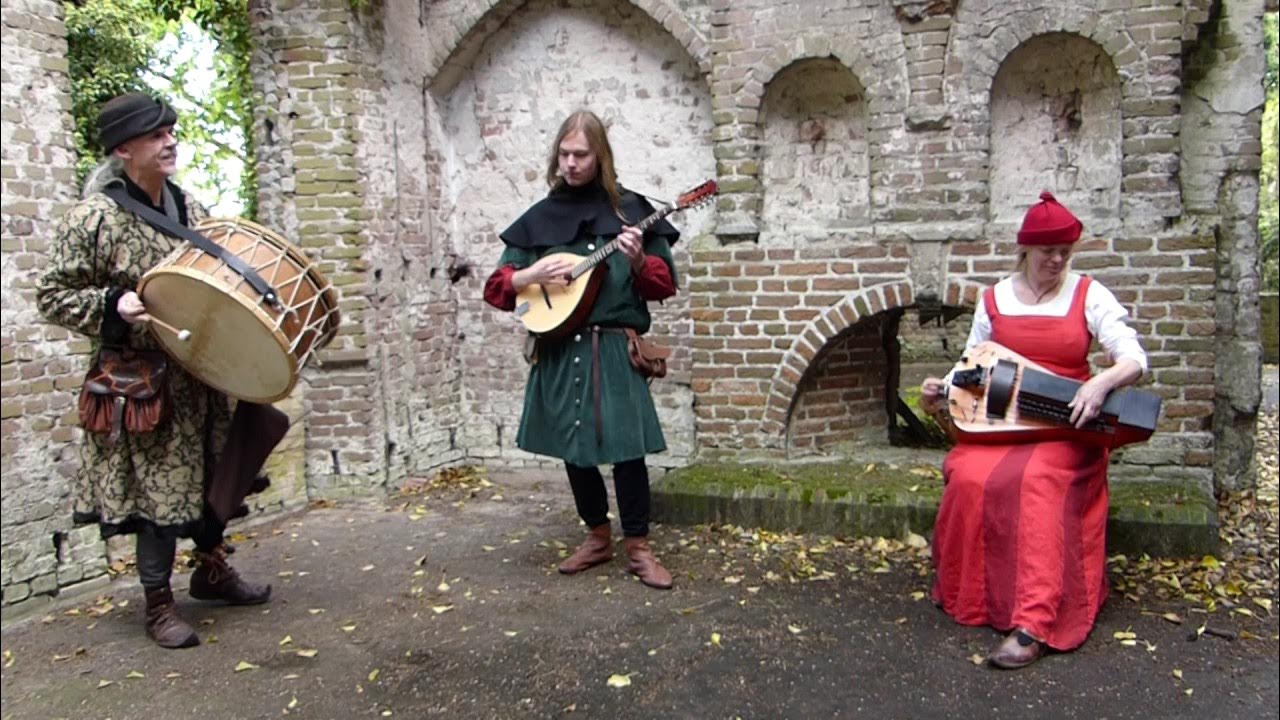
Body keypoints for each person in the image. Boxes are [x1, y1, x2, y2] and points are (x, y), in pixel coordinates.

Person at [37, 93, 276, 649]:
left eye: (172, 131)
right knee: (156, 500)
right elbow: (51, 294)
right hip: (140, 386)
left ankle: (211, 571)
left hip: (200, 375)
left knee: (217, 479)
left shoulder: (188, 207)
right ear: (123, 149)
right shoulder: (95, 216)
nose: (170, 141)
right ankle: (158, 605)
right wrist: (112, 304)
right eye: (155, 135)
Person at [919, 191, 1148, 669]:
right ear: (1025, 250)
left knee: (1037, 481)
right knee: (968, 474)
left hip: (1066, 427)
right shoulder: (995, 299)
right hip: (1003, 425)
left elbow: (1133, 358)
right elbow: (970, 367)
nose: (1058, 260)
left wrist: (1101, 383)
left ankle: (1034, 623)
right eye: (1048, 252)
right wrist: (940, 392)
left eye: (1066, 251)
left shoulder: (1088, 293)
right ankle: (977, 598)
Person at [483, 111, 680, 590]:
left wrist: (636, 260)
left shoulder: (631, 211)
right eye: (564, 154)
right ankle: (596, 536)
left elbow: (663, 284)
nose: (570, 163)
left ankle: (638, 547)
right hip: (558, 347)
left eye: (581, 155)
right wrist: (529, 276)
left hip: (614, 347)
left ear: (600, 157)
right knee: (575, 449)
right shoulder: (540, 218)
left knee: (628, 449)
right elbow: (497, 287)